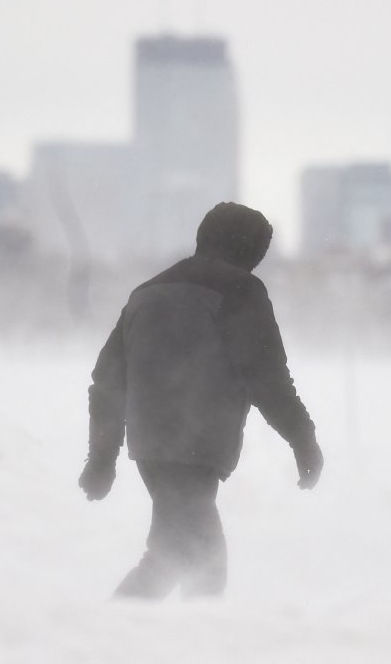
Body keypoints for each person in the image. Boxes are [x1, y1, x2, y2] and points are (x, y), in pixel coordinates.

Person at [78, 202, 324, 599]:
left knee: (174, 555)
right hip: (196, 446)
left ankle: (130, 639)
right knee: (201, 563)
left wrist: (101, 459)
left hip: (152, 448)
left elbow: (107, 382)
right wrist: (303, 440)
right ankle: (121, 641)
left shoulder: (147, 292)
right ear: (249, 249)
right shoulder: (240, 290)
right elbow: (267, 377)